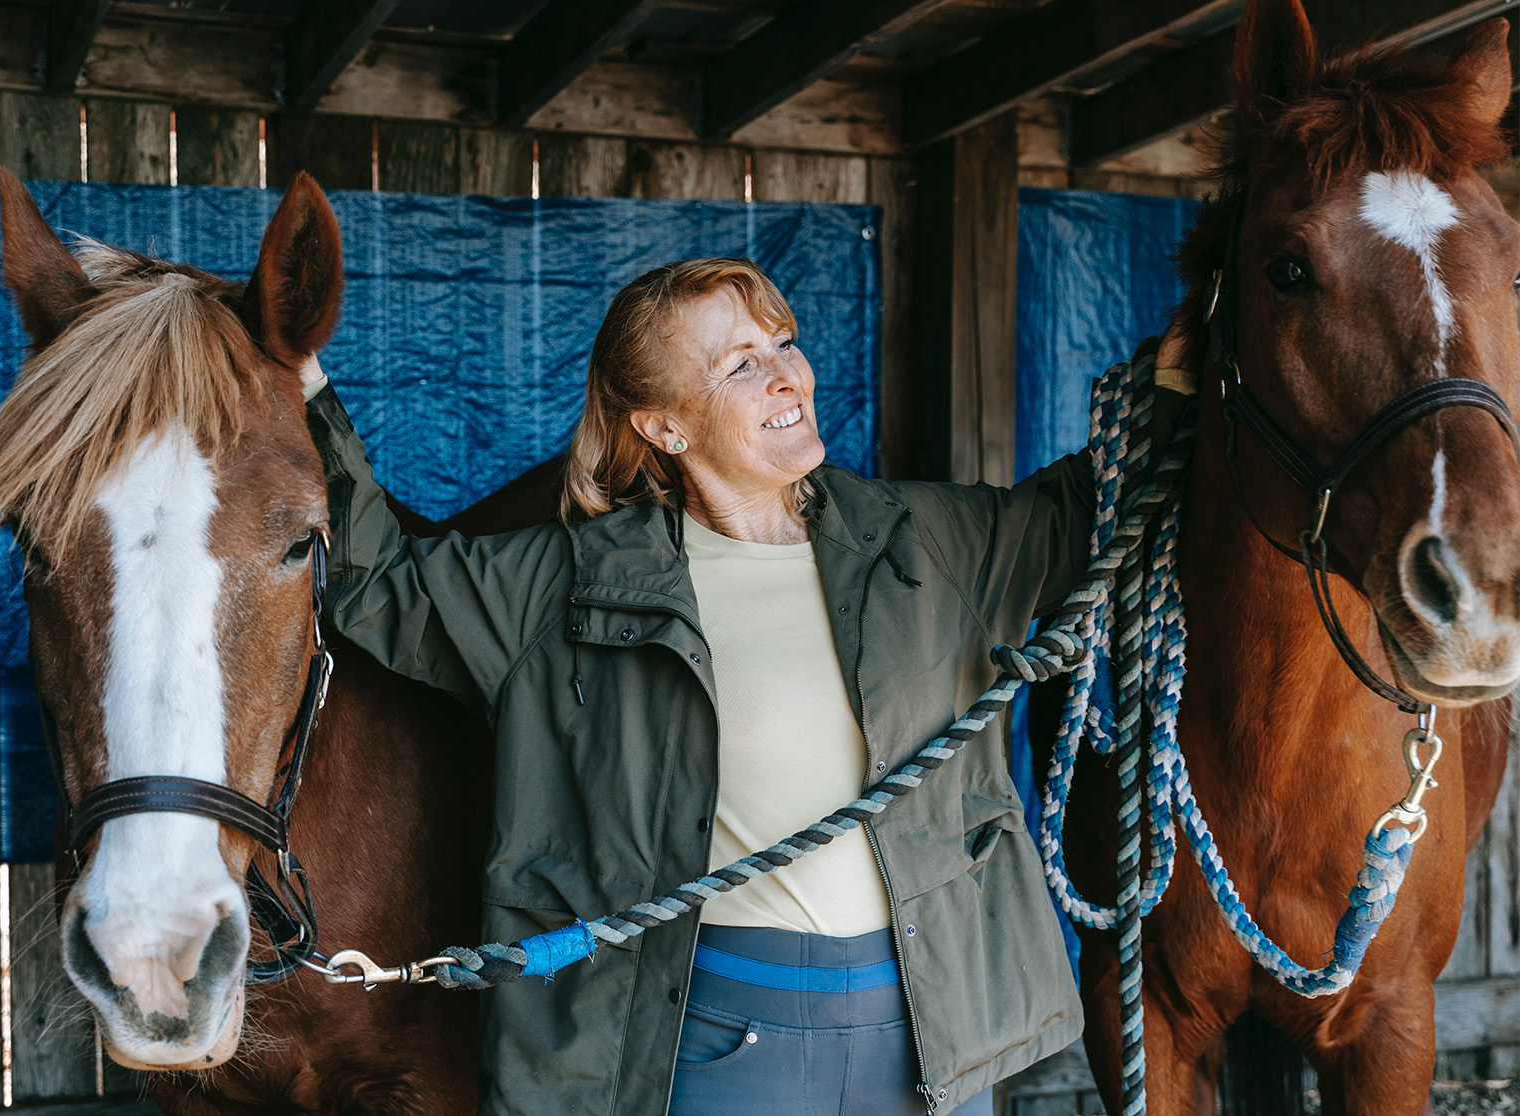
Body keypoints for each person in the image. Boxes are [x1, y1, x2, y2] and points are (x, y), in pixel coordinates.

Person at [300, 257, 1187, 1116]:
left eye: (785, 342)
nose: (786, 376)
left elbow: (1094, 510)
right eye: (741, 364)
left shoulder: (931, 542)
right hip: (720, 1035)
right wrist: (301, 389)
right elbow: (377, 582)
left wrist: (1181, 380)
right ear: (664, 428)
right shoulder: (562, 587)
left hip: (931, 1035)